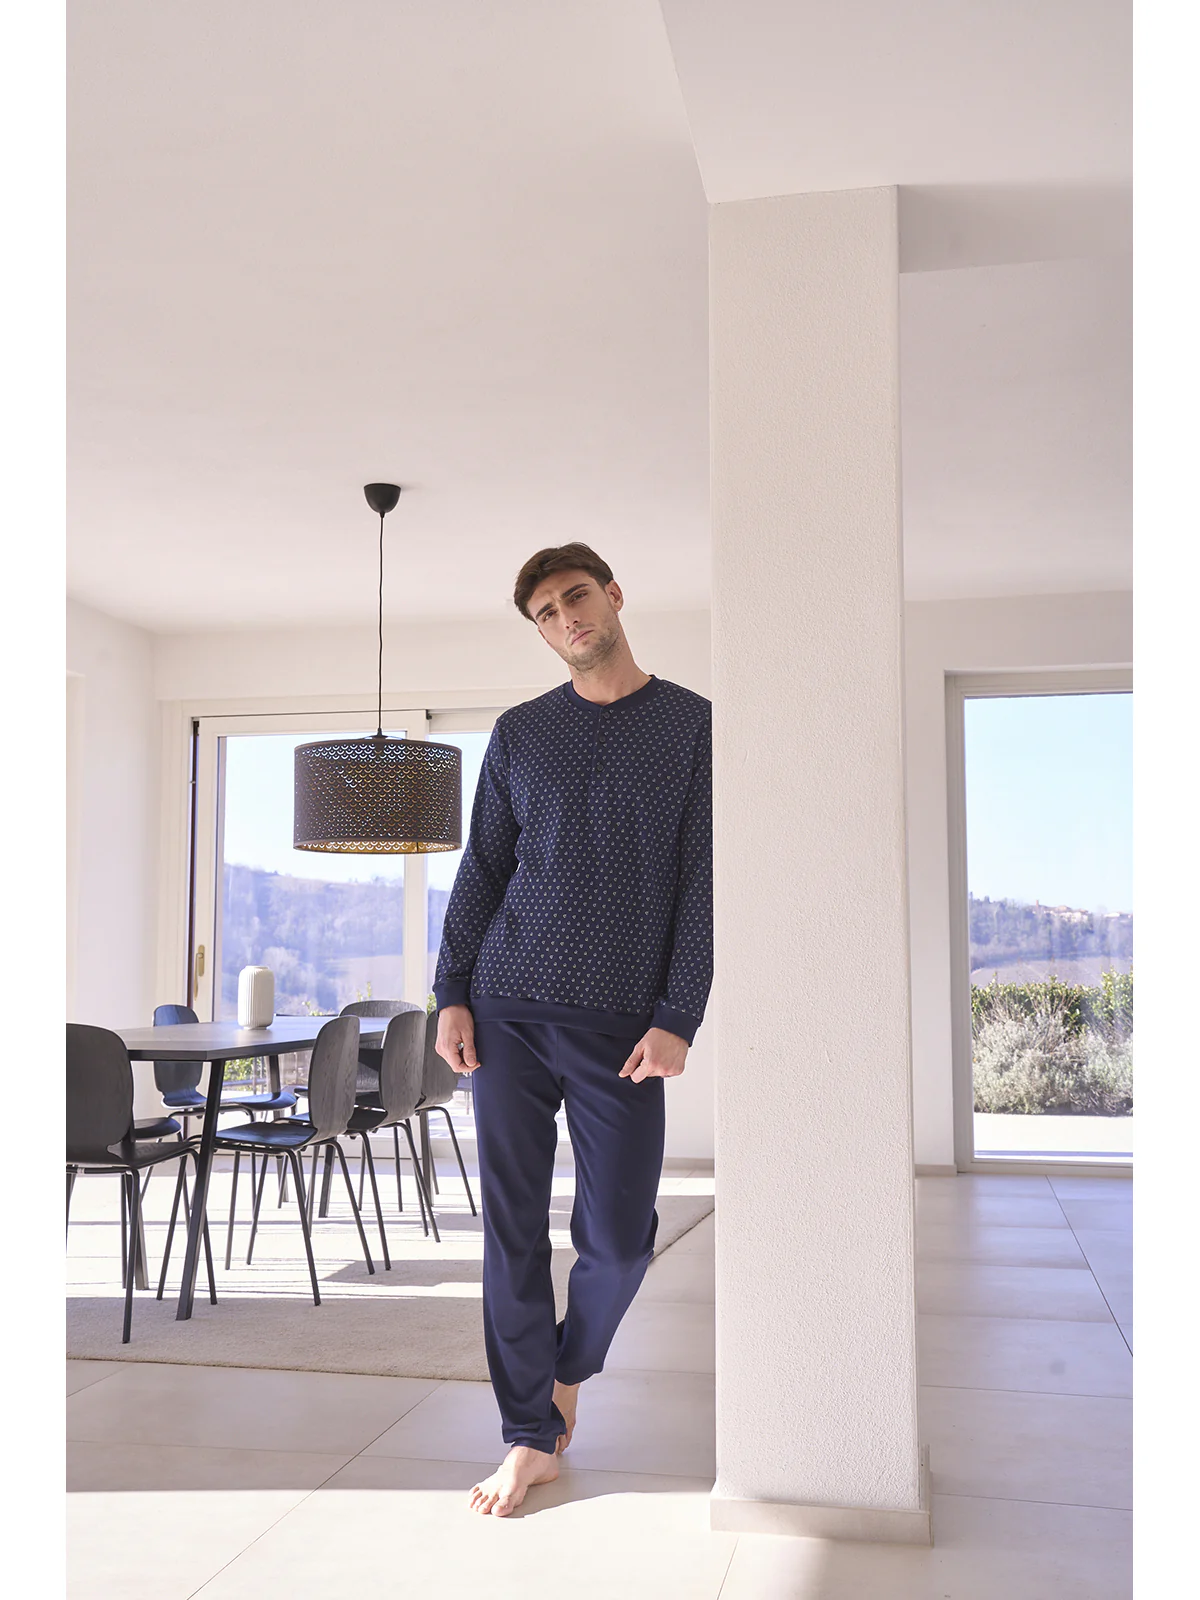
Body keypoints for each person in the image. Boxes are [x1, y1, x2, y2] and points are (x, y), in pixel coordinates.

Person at [432, 541, 713, 1517]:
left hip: (620, 1025)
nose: (565, 620)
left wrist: (678, 1015)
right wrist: (452, 991)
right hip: (506, 1008)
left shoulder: (692, 726)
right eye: (545, 613)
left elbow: (703, 881)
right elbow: (482, 869)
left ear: (614, 595)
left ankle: (563, 1377)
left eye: (575, 597)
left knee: (620, 1240)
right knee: (511, 1228)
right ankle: (529, 1437)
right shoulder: (520, 733)